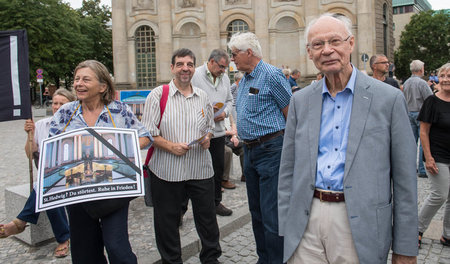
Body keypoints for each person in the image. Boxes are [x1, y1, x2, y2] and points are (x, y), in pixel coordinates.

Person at [278, 13, 418, 263]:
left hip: (359, 223)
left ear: (350, 44)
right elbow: (287, 168)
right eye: (318, 45)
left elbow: (405, 179)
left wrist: (405, 247)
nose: (327, 50)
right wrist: (286, 224)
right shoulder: (300, 100)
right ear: (309, 53)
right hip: (306, 220)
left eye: (335, 41)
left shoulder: (388, 98)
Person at [48, 60, 151, 264]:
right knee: (85, 253)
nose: (79, 84)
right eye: (77, 79)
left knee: (117, 247)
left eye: (86, 79)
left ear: (103, 86)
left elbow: (145, 136)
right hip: (78, 194)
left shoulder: (119, 111)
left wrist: (121, 146)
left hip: (114, 191)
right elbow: (52, 148)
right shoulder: (66, 112)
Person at [141, 48, 221, 263]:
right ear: (172, 68)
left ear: (194, 68)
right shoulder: (157, 95)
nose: (185, 68)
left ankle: (211, 258)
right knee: (167, 222)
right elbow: (147, 133)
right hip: (167, 171)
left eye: (189, 64)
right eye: (180, 64)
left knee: (207, 219)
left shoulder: (202, 96)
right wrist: (169, 146)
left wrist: (207, 137)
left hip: (200, 168)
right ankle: (172, 260)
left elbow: (210, 125)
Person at [228, 32, 292, 263]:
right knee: (256, 212)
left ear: (249, 53)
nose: (232, 58)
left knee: (271, 213)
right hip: (250, 151)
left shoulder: (272, 75)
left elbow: (291, 114)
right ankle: (264, 258)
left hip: (271, 149)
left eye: (235, 54)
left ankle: (277, 260)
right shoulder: (244, 79)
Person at [0, 88, 75, 258]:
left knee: (47, 185)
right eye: (55, 103)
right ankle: (63, 238)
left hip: (72, 174)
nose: (56, 107)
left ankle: (20, 222)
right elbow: (30, 154)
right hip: (49, 176)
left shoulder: (76, 125)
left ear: (71, 105)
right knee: (48, 185)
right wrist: (30, 135)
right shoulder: (43, 125)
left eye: (61, 104)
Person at [191, 49, 234, 214]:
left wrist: (225, 113)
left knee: (217, 169)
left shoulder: (224, 78)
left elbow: (230, 100)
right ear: (211, 62)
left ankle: (216, 202)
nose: (223, 70)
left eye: (225, 68)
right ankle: (181, 209)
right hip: (198, 133)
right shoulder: (195, 76)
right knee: (192, 170)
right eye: (222, 67)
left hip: (218, 133)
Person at [417, 63, 450, 248]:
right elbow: (423, 131)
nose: (445, 79)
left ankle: (447, 235)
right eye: (442, 76)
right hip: (437, 156)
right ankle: (416, 229)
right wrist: (428, 157)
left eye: (449, 76)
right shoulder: (432, 101)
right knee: (440, 194)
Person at [403, 59, 433, 178]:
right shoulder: (422, 83)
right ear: (421, 69)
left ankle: (410, 167)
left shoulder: (406, 82)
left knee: (411, 142)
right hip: (421, 113)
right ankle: (421, 168)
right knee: (423, 142)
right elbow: (430, 99)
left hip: (409, 112)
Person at [223, 113, 244, 186]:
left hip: (229, 138)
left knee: (243, 149)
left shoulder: (228, 112)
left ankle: (245, 175)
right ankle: (224, 179)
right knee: (227, 151)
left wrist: (234, 136)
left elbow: (233, 124)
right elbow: (216, 130)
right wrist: (230, 132)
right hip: (219, 139)